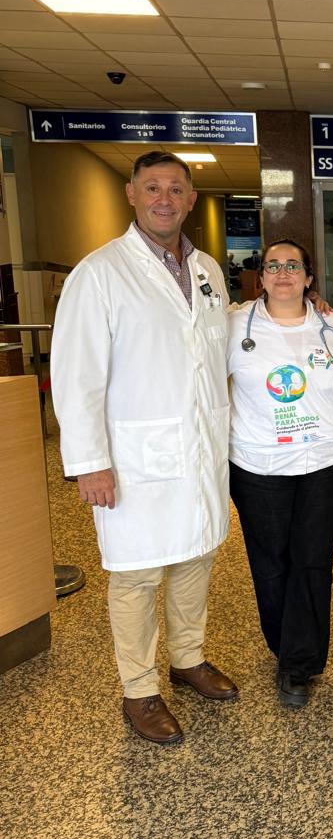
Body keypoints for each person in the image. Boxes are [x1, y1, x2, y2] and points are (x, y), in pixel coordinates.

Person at [51, 150, 237, 747]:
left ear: (190, 200)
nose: (164, 199)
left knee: (195, 557)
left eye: (175, 189)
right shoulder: (100, 273)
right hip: (135, 456)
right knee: (137, 575)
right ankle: (139, 689)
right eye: (152, 187)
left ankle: (188, 658)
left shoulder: (207, 270)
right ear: (131, 195)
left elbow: (220, 345)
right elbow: (77, 375)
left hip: (200, 446)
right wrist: (90, 463)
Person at [226, 239, 333, 708]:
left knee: (312, 559)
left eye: (293, 266)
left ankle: (299, 662)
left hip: (323, 462)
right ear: (261, 276)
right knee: (270, 562)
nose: (283, 273)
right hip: (258, 464)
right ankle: (284, 645)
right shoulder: (235, 325)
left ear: (309, 277)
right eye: (273, 265)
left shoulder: (332, 325)